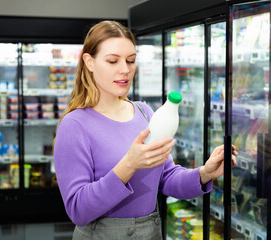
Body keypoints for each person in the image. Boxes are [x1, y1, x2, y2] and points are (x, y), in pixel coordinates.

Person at [53, 20, 238, 240]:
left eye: (131, 61)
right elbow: (78, 210)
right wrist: (128, 164)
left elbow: (166, 177)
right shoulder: (75, 125)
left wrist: (204, 173)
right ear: (89, 62)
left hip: (151, 232)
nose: (125, 70)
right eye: (113, 61)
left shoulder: (144, 112)